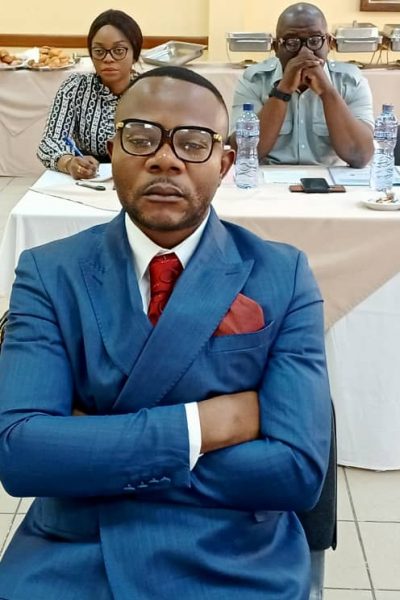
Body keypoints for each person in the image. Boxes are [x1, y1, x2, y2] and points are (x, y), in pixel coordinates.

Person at [0, 66, 331, 599]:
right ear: (113, 149)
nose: (165, 158)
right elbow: (22, 456)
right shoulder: (50, 272)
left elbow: (295, 472)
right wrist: (207, 424)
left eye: (193, 143)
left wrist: (91, 450)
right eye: (141, 137)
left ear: (225, 164)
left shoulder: (281, 274)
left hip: (234, 553)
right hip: (76, 549)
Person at [231, 2, 374, 168]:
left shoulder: (350, 82)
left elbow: (360, 156)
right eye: (292, 42)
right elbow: (241, 153)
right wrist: (282, 91)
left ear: (329, 43)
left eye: (315, 41)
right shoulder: (254, 80)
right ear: (276, 47)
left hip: (331, 177)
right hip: (270, 176)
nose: (304, 52)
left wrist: (327, 92)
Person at [37, 9, 142, 180]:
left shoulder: (148, 91)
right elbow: (50, 142)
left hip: (138, 177)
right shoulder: (75, 87)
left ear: (134, 54)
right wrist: (69, 162)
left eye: (119, 50)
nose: (108, 59)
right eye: (99, 51)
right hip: (88, 179)